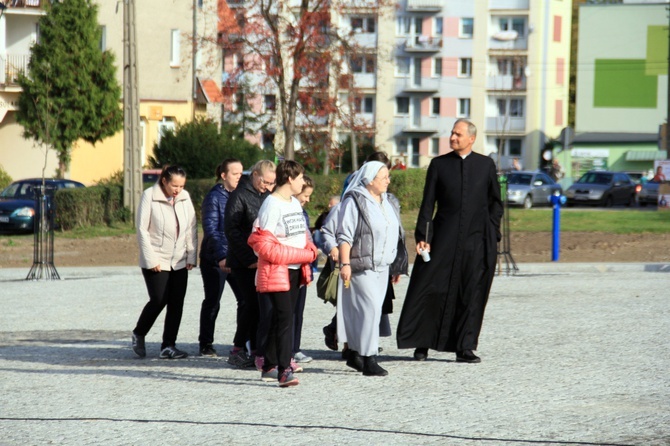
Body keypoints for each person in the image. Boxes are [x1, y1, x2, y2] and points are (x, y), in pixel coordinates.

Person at [396, 119, 503, 364]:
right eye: (452, 133)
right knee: (431, 287)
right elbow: (427, 203)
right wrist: (424, 237)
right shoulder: (439, 165)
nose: (453, 137)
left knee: (470, 292)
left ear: (471, 138)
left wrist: (491, 232)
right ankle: (422, 343)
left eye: (458, 134)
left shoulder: (485, 165)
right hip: (443, 239)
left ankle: (464, 347)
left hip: (475, 241)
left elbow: (495, 204)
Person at [247, 160, 318, 387]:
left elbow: (302, 234)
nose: (302, 182)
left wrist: (310, 250)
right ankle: (284, 370)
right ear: (289, 178)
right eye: (299, 178)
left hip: (297, 269)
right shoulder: (272, 204)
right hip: (278, 271)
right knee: (286, 319)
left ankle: (268, 364)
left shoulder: (294, 203)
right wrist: (299, 255)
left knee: (282, 319)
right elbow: (262, 243)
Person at [337, 161, 406, 377]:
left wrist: (396, 265)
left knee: (369, 312)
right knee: (370, 310)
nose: (388, 180)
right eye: (383, 177)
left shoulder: (386, 201)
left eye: (388, 176)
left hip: (382, 266)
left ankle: (356, 353)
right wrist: (345, 263)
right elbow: (344, 235)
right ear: (369, 179)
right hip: (361, 266)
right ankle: (369, 358)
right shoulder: (355, 200)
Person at [131, 165, 197, 359]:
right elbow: (142, 229)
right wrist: (151, 259)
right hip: (157, 258)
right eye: (174, 185)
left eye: (181, 185)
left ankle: (168, 345)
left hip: (179, 259)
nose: (178, 189)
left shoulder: (185, 198)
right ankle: (139, 332)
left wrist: (191, 256)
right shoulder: (149, 196)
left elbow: (191, 228)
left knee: (177, 303)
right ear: (164, 181)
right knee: (159, 299)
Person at [224, 160, 276, 368]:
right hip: (243, 262)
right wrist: (249, 259)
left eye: (272, 183)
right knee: (249, 305)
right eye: (265, 181)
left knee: (258, 307)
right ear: (255, 175)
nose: (268, 186)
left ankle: (255, 349)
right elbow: (232, 230)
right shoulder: (239, 195)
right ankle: (237, 349)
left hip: (260, 259)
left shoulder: (266, 196)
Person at [198, 159, 244, 357]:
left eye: (241, 174)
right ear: (224, 176)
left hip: (236, 258)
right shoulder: (214, 198)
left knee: (245, 300)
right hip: (215, 259)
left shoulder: (240, 195)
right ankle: (205, 343)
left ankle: (241, 343)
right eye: (235, 174)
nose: (239, 178)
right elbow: (211, 229)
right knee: (213, 300)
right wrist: (221, 256)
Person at [292, 175, 315, 364]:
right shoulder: (287, 209)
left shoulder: (303, 213)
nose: (307, 200)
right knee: (288, 312)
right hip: (289, 265)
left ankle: (295, 347)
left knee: (298, 311)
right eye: (305, 195)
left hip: (303, 266)